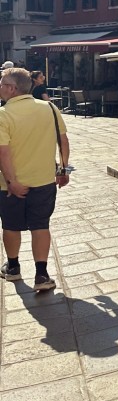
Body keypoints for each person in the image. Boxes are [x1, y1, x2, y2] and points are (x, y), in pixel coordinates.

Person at [0, 67, 70, 292]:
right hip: (44, 180)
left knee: (11, 226)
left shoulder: (3, 114)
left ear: (12, 89)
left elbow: (3, 152)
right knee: (41, 226)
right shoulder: (49, 108)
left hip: (11, 185)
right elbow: (63, 141)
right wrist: (63, 170)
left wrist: (12, 182)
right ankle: (41, 274)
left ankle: (13, 267)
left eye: (1, 84)